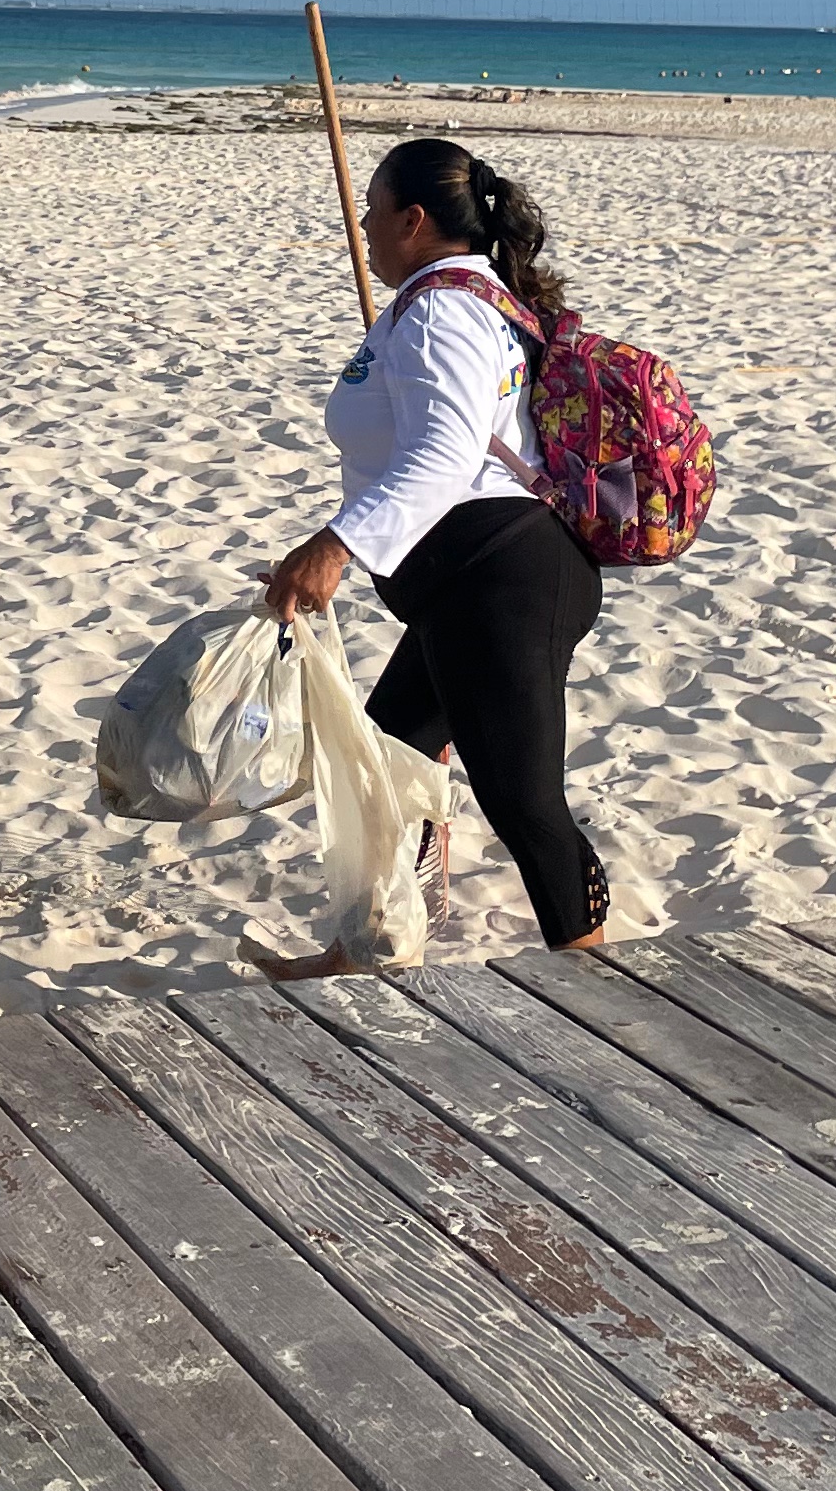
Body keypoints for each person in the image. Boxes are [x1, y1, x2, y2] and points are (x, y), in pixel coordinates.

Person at [256, 137, 607, 972]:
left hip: (500, 582)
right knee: (393, 755)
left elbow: (443, 456)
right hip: (472, 583)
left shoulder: (442, 311)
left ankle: (602, 977)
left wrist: (335, 545)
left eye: (373, 212)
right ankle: (372, 949)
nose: (363, 227)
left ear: (413, 219)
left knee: (523, 803)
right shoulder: (457, 296)